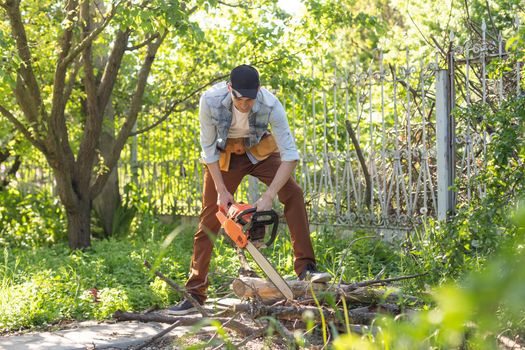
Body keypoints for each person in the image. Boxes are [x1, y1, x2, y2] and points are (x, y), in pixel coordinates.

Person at [168, 64, 330, 315]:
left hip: (260, 153)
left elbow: (290, 156)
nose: (244, 104)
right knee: (210, 217)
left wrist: (269, 195)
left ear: (259, 91)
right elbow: (208, 150)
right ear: (230, 89)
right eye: (239, 99)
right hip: (224, 157)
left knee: (294, 194)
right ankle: (195, 293)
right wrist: (221, 190)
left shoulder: (271, 104)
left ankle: (306, 268)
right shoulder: (209, 101)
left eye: (250, 99)